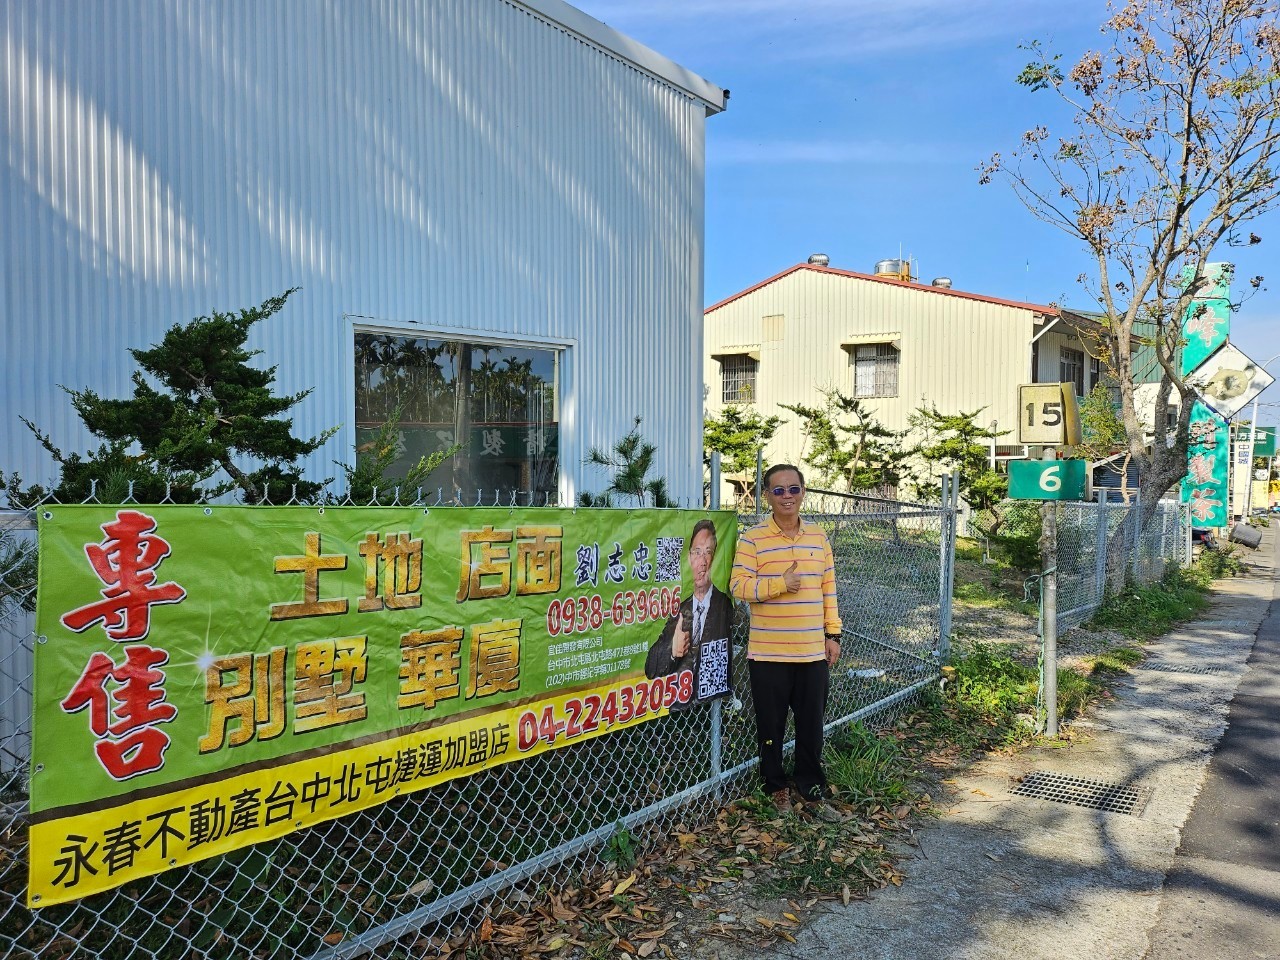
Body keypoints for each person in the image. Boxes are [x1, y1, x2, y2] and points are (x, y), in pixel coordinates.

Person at [730, 464, 841, 807]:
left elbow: (828, 588)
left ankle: (810, 782)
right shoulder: (752, 539)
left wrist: (833, 634)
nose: (787, 496)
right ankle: (774, 783)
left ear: (803, 492)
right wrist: (780, 584)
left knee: (811, 725)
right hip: (768, 653)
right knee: (770, 726)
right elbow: (738, 586)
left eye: (793, 489)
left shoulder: (818, 537)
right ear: (766, 496)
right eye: (778, 490)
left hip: (812, 652)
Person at [645, 518, 735, 708]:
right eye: (697, 552)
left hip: (710, 698)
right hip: (681, 703)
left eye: (708, 552)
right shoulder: (679, 609)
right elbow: (650, 668)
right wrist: (672, 649)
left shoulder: (725, 604)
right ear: (688, 558)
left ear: (714, 558)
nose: (702, 561)